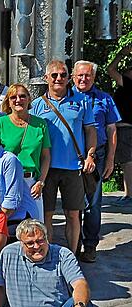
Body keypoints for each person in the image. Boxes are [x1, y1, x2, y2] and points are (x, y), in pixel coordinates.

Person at [30, 59, 97, 255]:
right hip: (46, 169)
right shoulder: (36, 105)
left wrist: (90, 155)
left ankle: (73, 255)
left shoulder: (82, 101)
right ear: (46, 78)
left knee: (73, 214)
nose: (59, 78)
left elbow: (91, 131)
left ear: (69, 78)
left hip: (74, 167)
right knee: (47, 215)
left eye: (63, 75)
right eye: (54, 75)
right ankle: (48, 256)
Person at [73, 60, 121, 263]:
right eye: (80, 75)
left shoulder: (105, 99)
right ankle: (73, 246)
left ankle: (90, 245)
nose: (84, 79)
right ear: (74, 76)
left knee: (93, 203)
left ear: (93, 77)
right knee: (72, 203)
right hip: (72, 156)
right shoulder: (65, 98)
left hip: (98, 155)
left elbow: (111, 129)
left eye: (88, 75)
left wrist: (110, 159)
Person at [0, 84, 51, 222]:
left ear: (29, 99)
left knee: (35, 224)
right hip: (6, 181)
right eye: (13, 97)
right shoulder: (0, 123)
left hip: (31, 182)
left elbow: (46, 156)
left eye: (22, 96)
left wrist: (41, 182)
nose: (18, 100)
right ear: (8, 101)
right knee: (4, 224)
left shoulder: (40, 124)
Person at [109, 44, 132, 207]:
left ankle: (129, 194)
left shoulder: (128, 83)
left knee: (127, 161)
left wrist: (120, 54)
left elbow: (110, 70)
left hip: (126, 126)